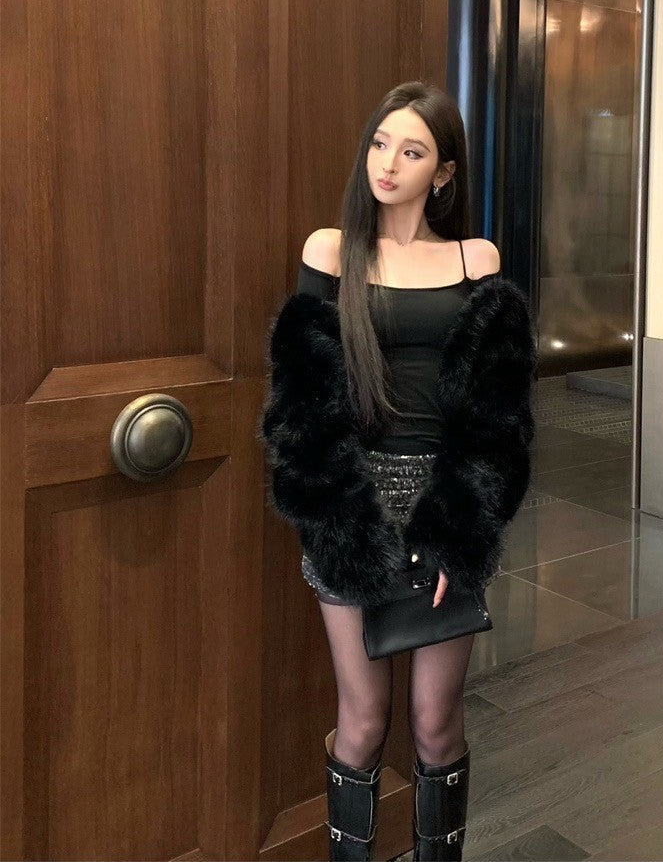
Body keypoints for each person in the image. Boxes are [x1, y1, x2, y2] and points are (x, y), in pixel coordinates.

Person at [260, 81, 536, 861]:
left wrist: (461, 529)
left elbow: (498, 415)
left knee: (435, 721)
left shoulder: (475, 259)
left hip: (446, 506)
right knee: (361, 718)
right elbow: (303, 408)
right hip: (352, 509)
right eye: (380, 143)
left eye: (411, 151)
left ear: (442, 172)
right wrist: (338, 523)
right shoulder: (329, 251)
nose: (387, 163)